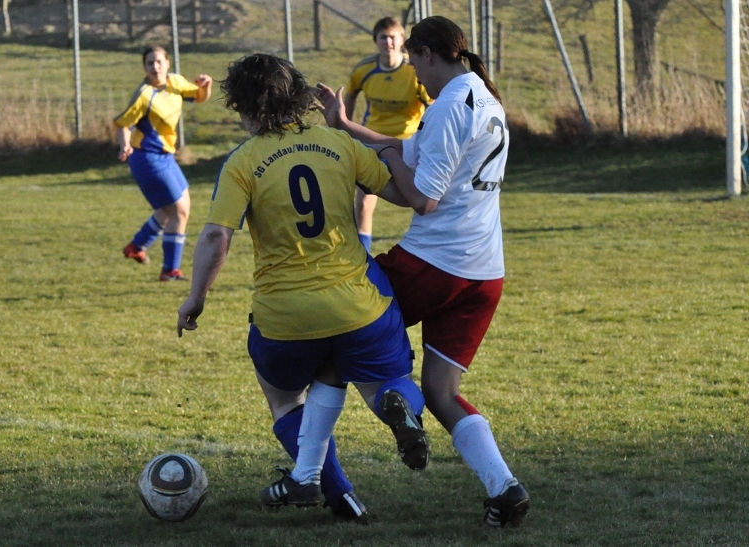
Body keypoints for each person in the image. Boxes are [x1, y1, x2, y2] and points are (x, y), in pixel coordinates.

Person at [176, 53, 429, 521]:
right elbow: (401, 193)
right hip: (357, 306)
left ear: (245, 107)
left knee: (284, 397)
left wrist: (195, 298)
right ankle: (401, 407)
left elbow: (216, 234)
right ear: (298, 97)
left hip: (285, 317)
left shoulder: (243, 161)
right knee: (385, 386)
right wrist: (388, 149)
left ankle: (337, 493)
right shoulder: (339, 144)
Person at [316, 16, 531, 528]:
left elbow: (421, 198)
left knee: (336, 339)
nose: (414, 73)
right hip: (484, 274)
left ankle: (309, 472)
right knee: (443, 390)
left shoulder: (451, 106)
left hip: (436, 264)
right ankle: (505, 488)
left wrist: (376, 159)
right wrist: (347, 129)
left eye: (414, 61)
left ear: (430, 54)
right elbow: (409, 160)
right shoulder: (483, 98)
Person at [114, 45, 212, 281]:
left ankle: (137, 246)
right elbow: (122, 124)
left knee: (178, 208)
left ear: (168, 63)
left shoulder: (176, 83)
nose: (155, 67)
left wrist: (206, 85)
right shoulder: (144, 94)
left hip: (166, 156)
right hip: (146, 157)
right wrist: (124, 145)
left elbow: (198, 96)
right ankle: (170, 270)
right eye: (150, 63)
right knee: (178, 210)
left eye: (159, 62)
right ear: (145, 67)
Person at [344, 16, 431, 253]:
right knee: (362, 204)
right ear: (376, 41)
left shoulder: (414, 71)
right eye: (383, 37)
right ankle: (364, 257)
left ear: (402, 40)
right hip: (373, 144)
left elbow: (432, 105)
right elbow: (350, 93)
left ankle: (425, 250)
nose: (388, 42)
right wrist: (345, 125)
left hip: (409, 146)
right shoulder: (364, 69)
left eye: (393, 37)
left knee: (423, 201)